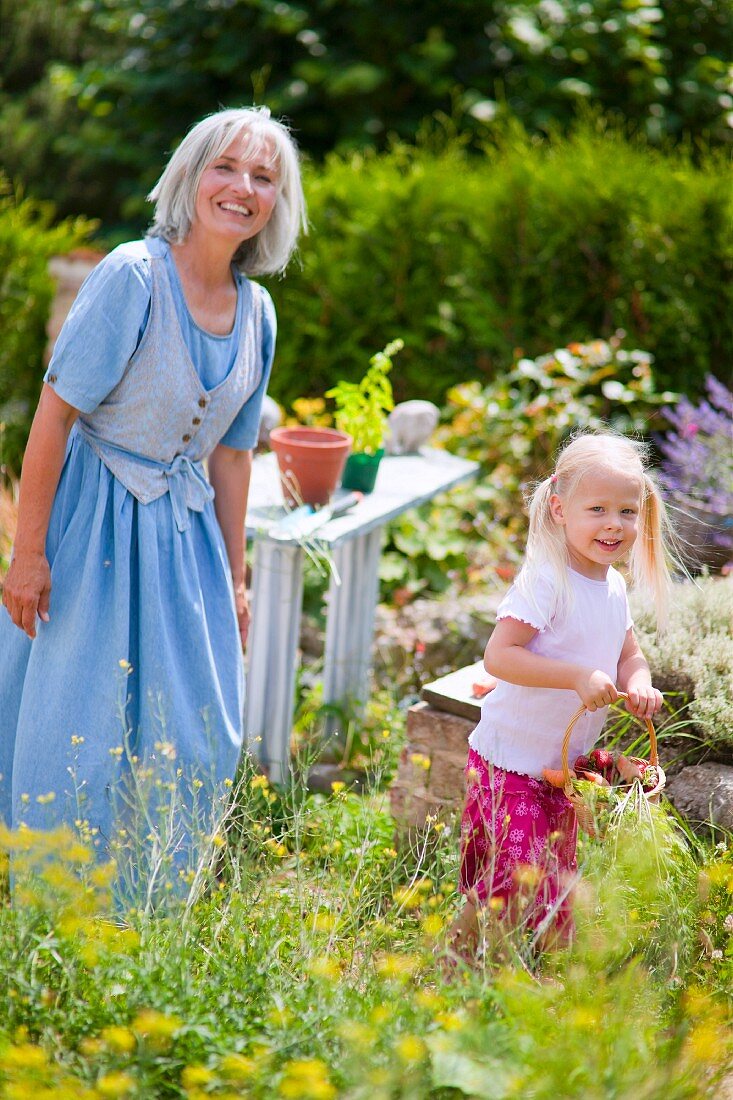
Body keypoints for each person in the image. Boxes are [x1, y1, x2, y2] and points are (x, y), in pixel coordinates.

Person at [0, 107, 307, 889]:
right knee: (79, 720)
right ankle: (54, 902)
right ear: (191, 174)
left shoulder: (258, 313)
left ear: (277, 201)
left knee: (194, 730)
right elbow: (55, 412)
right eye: (225, 167)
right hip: (92, 526)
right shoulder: (131, 278)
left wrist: (235, 577)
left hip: (185, 537)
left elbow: (235, 456)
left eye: (263, 177)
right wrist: (27, 553)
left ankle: (150, 902)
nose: (242, 187)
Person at [450, 431, 676, 957]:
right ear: (559, 508)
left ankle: (493, 968)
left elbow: (629, 656)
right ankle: (484, 976)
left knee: (541, 879)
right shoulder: (546, 580)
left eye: (626, 510)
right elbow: (500, 656)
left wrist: (639, 684)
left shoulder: (614, 589)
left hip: (560, 768)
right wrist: (575, 676)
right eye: (597, 508)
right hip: (509, 760)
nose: (614, 524)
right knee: (518, 881)